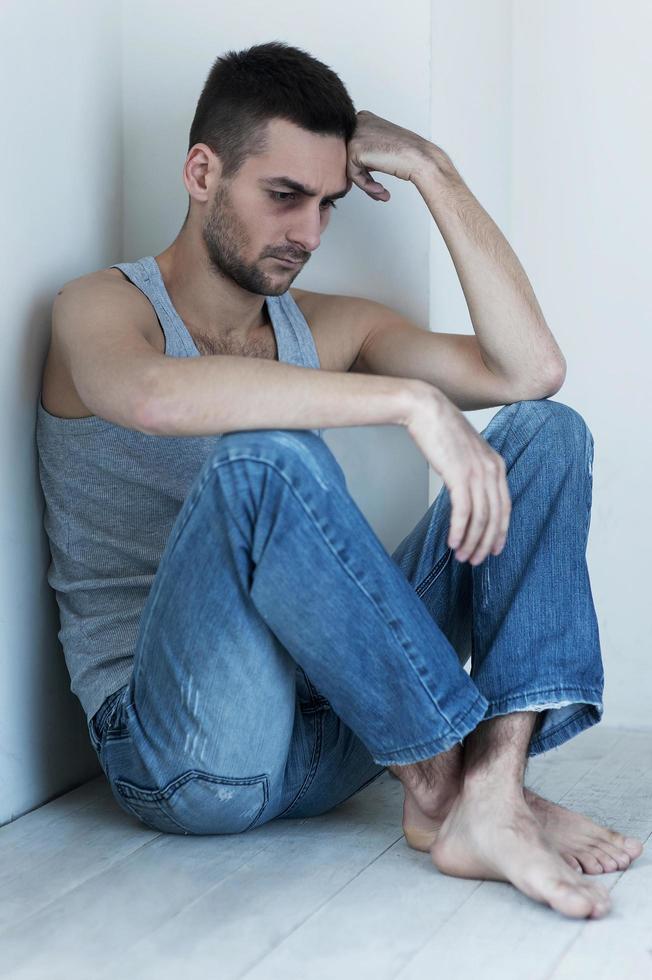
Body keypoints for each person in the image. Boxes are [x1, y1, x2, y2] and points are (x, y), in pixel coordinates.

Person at [36, 40, 642, 920]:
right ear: (202, 172)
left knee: (548, 435)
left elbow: (531, 370)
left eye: (326, 204)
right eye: (284, 197)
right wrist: (409, 404)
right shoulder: (97, 308)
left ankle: (491, 792)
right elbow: (156, 397)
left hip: (343, 732)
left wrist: (436, 172)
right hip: (189, 753)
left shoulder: (323, 326)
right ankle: (443, 786)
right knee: (266, 456)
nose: (310, 234)